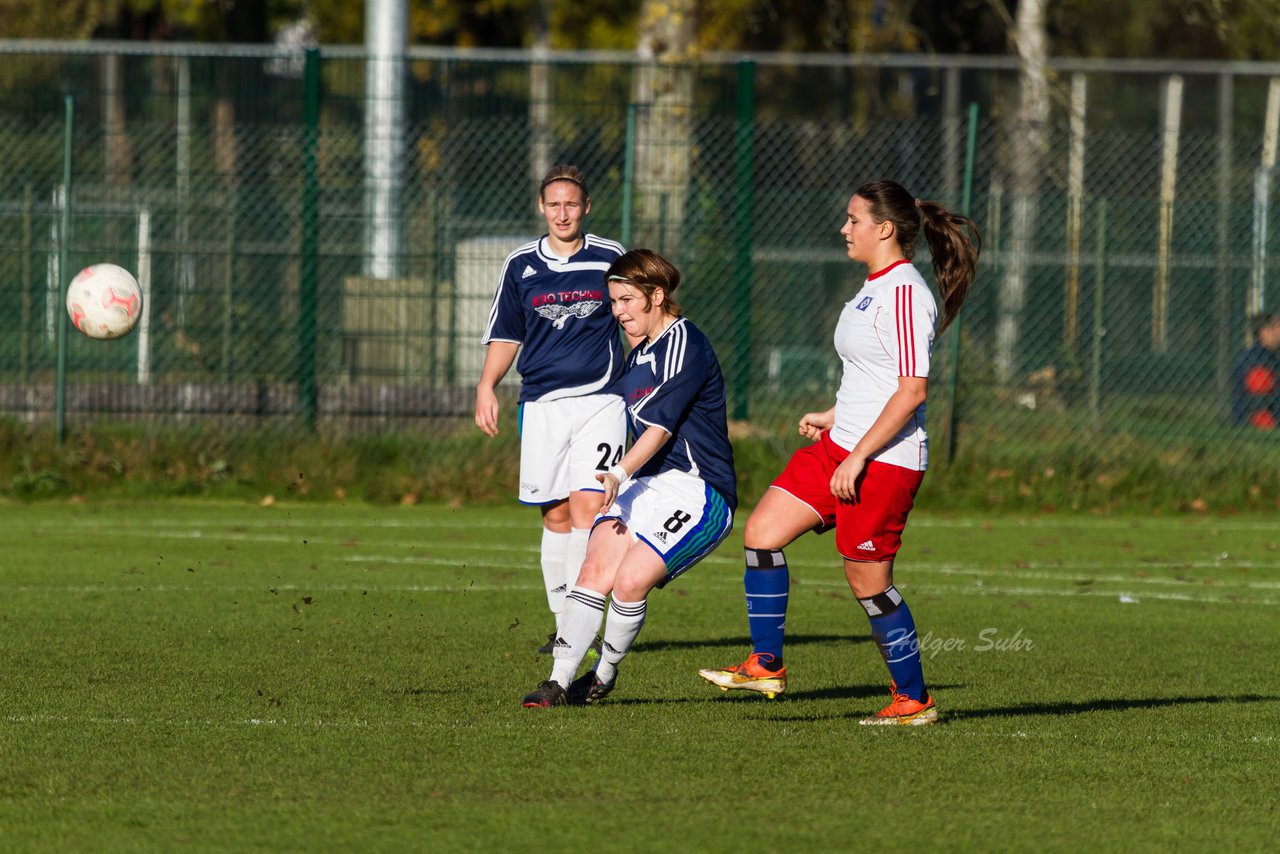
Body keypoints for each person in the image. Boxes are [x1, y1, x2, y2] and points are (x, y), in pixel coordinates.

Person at [698, 179, 980, 726]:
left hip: (884, 461)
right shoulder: (872, 287)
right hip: (841, 445)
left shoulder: (904, 292)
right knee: (761, 534)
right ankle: (766, 664)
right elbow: (873, 376)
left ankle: (913, 699)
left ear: (885, 229)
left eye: (853, 220)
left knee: (867, 582)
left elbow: (911, 390)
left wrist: (858, 456)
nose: (844, 229)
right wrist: (835, 417)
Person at [521, 248, 737, 707]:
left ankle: (602, 675)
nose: (617, 311)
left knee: (630, 581)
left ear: (656, 296)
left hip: (699, 491)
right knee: (595, 568)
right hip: (646, 484)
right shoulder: (637, 353)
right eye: (613, 301)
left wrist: (620, 470)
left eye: (625, 300)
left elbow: (659, 428)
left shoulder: (685, 342)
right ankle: (557, 682)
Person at [477, 164, 628, 654]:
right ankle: (563, 623)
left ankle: (582, 623)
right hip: (541, 404)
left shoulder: (611, 257)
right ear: (541, 208)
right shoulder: (520, 264)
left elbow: (635, 317)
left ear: (586, 208)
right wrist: (486, 385)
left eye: (572, 204)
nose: (563, 213)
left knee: (589, 506)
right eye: (554, 204)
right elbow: (507, 332)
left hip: (602, 400)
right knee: (556, 514)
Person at [1230, 311, 1280, 430]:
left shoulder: (1271, 358)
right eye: (1278, 327)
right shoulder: (1256, 360)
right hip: (1258, 426)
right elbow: (1260, 401)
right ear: (1265, 331)